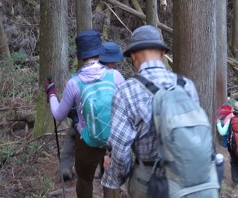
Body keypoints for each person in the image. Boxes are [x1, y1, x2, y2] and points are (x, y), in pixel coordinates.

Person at [101, 25, 217, 197]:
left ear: (133, 55)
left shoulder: (126, 92)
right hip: (192, 177)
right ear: (162, 54)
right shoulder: (186, 85)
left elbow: (120, 149)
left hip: (150, 181)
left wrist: (114, 178)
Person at [46, 30, 124, 198]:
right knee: (109, 177)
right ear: (99, 51)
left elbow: (59, 115)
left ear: (80, 56)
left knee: (85, 180)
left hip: (88, 141)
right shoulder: (115, 76)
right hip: (113, 138)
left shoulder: (74, 83)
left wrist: (51, 93)